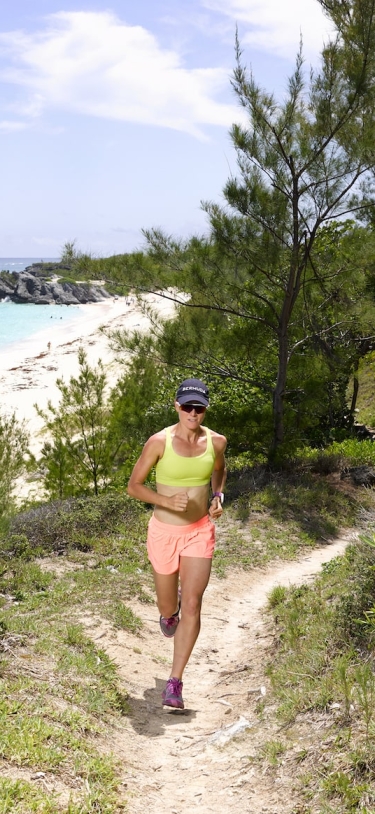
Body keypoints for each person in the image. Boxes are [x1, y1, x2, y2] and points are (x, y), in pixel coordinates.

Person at [127, 378, 227, 710]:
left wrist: (217, 495)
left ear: (205, 409)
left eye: (199, 408)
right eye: (187, 407)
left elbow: (220, 471)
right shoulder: (158, 442)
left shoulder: (217, 442)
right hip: (164, 534)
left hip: (200, 531)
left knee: (194, 604)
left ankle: (175, 681)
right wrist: (167, 502)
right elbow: (135, 486)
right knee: (169, 607)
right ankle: (170, 615)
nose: (193, 413)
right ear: (177, 406)